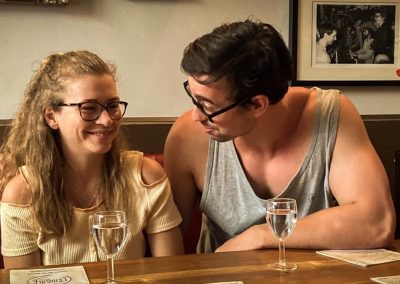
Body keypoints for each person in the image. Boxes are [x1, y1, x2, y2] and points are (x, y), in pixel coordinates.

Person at [164, 19, 395, 253]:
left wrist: (261, 235)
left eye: (207, 106)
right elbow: (165, 251)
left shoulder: (331, 114)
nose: (196, 116)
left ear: (257, 105)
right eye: (194, 98)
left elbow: (377, 223)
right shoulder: (188, 137)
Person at [0, 50, 184, 269]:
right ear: (51, 117)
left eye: (112, 105)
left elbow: (172, 273)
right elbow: (24, 282)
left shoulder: (146, 178)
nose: (106, 120)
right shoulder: (22, 194)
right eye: (89, 108)